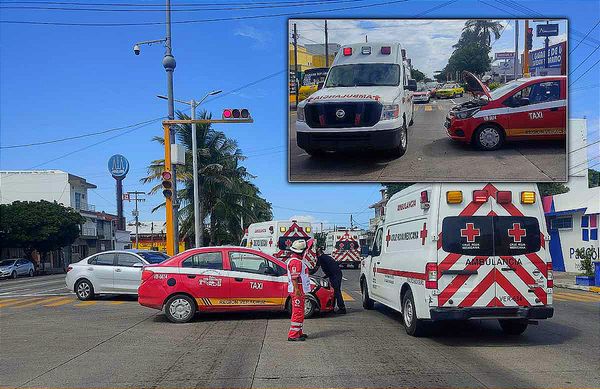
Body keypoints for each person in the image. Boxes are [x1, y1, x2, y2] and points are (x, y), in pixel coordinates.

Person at [286, 239, 311, 341]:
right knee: (298, 312)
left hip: (299, 289)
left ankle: (299, 332)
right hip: (298, 289)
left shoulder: (296, 260)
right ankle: (293, 335)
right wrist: (297, 290)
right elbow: (295, 277)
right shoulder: (296, 262)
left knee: (299, 311)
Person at [316, 246, 346, 314]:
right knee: (334, 291)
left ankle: (342, 308)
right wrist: (325, 276)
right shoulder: (325, 257)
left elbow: (317, 267)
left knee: (336, 291)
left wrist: (309, 273)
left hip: (335, 275)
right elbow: (329, 267)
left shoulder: (321, 258)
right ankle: (332, 307)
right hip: (335, 274)